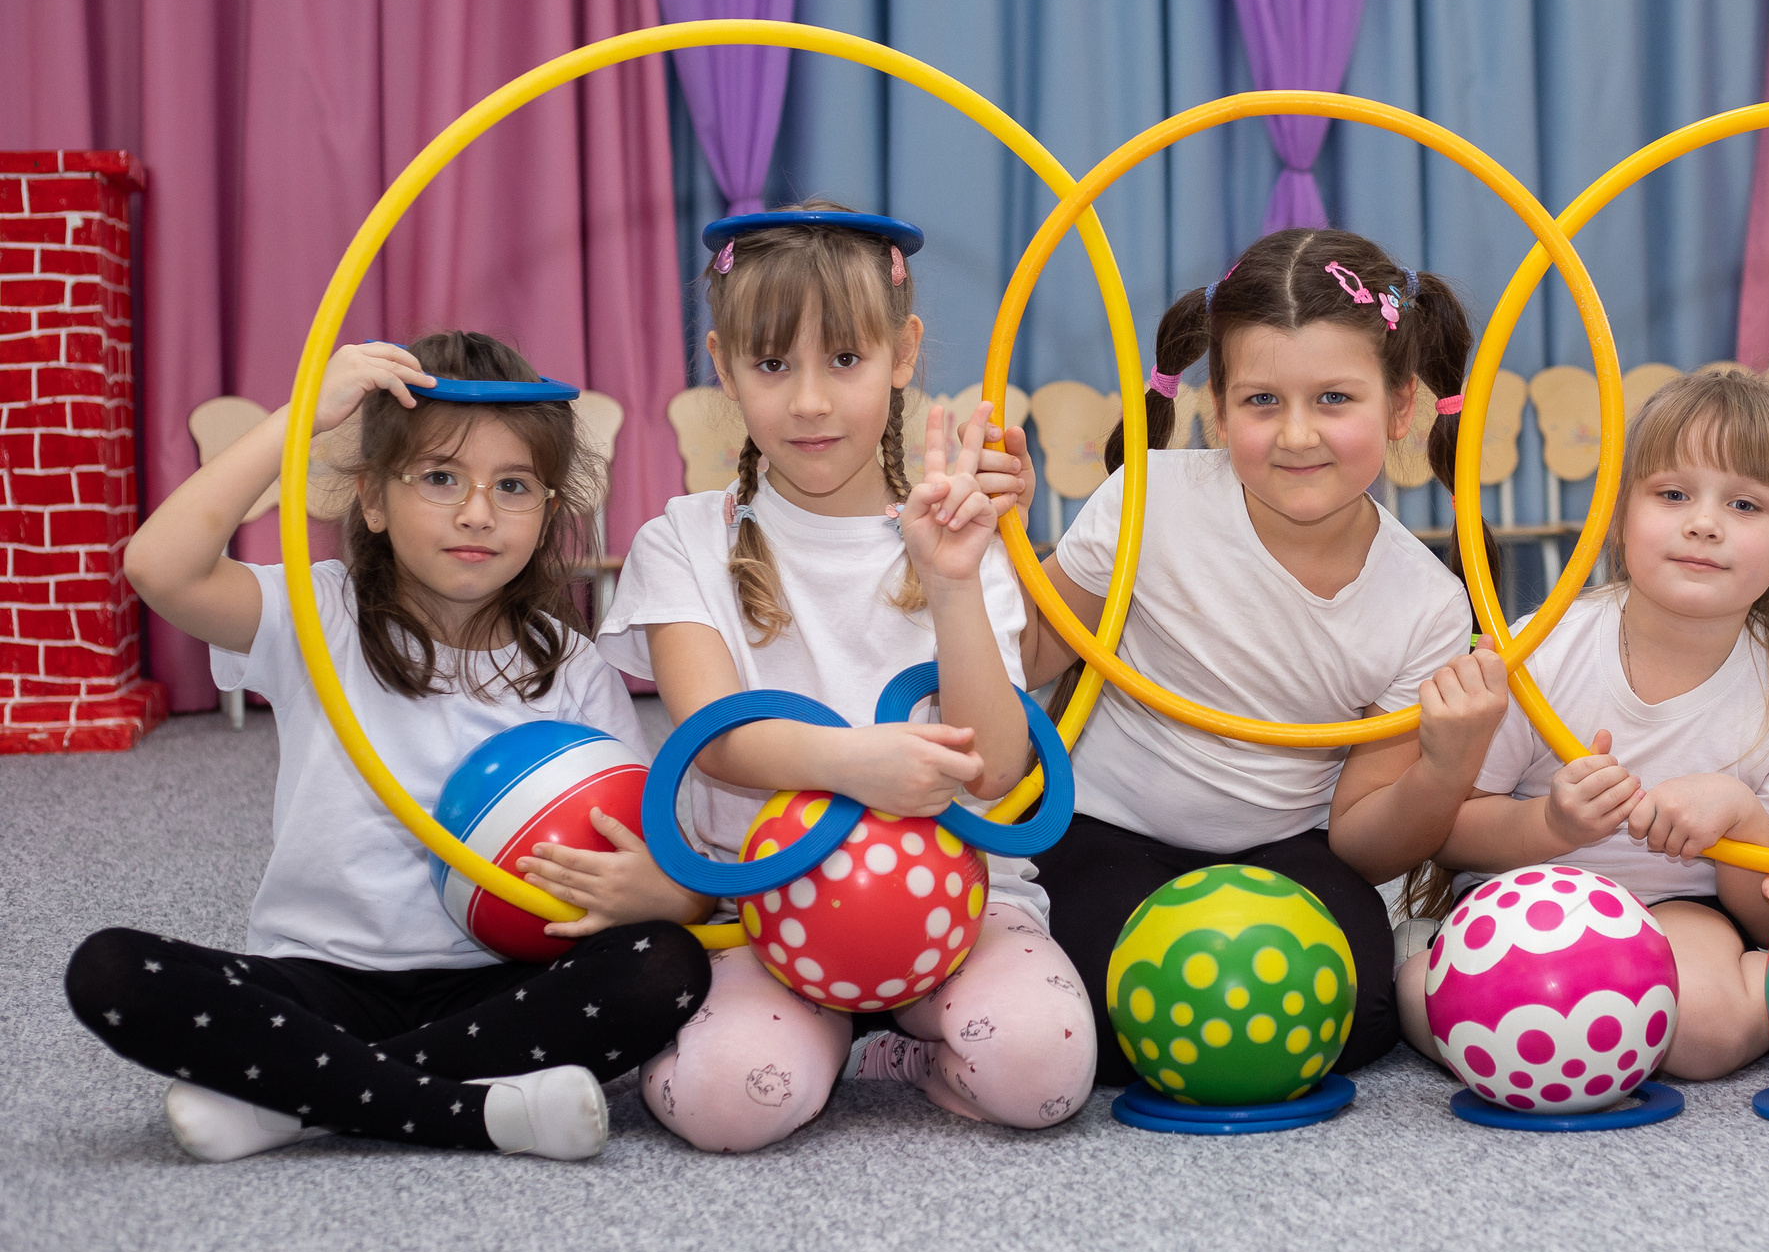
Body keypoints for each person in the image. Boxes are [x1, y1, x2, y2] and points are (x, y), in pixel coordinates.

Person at [65, 331, 709, 1162]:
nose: (477, 512)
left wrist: (658, 890)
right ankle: (470, 1109)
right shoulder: (315, 609)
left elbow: (638, 848)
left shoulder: (572, 664)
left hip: (495, 981)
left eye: (512, 485)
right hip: (321, 978)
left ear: (550, 510)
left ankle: (295, 1101)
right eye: (440, 477)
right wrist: (306, 416)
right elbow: (158, 564)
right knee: (111, 970)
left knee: (667, 964)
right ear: (371, 499)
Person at [600, 204, 1092, 1150]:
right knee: (725, 1101)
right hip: (761, 915)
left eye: (846, 360)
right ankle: (825, 1041)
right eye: (774, 364)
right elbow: (718, 737)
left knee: (1046, 1071)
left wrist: (952, 583)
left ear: (904, 353)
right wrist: (858, 765)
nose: (812, 401)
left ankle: (892, 1044)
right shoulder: (682, 540)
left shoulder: (954, 525)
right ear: (723, 364)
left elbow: (990, 770)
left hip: (961, 906)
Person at [1012, 228, 1511, 1087]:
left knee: (1363, 1009)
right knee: (1096, 1010)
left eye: (1333, 398)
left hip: (1287, 848)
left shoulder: (1426, 601)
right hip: (1105, 833)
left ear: (1400, 408)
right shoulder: (1145, 502)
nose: (1297, 435)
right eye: (1262, 402)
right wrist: (990, 553)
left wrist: (1447, 763)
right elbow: (1028, 654)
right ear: (1216, 405)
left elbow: (1365, 840)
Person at [1396, 367, 1769, 1079]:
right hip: (1532, 890)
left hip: (1683, 907)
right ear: (1619, 515)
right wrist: (1552, 825)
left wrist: (1738, 820)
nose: (1704, 522)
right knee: (1437, 1008)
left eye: (1744, 503)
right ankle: (1427, 954)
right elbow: (1449, 830)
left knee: (1704, 1033)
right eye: (1673, 494)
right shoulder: (1542, 651)